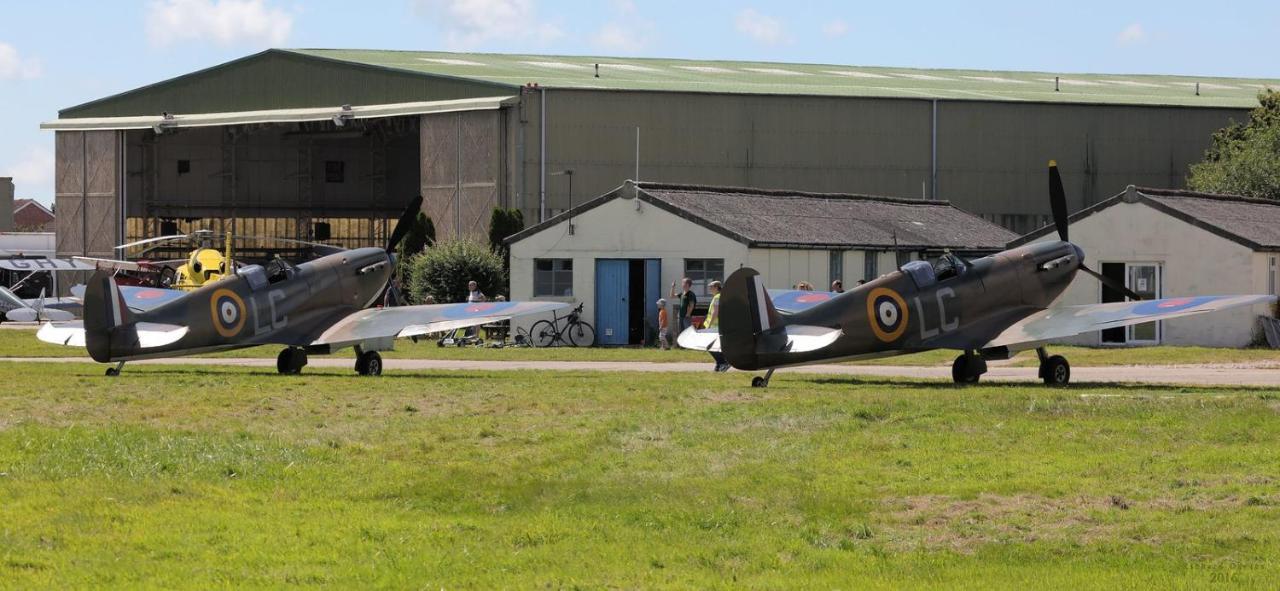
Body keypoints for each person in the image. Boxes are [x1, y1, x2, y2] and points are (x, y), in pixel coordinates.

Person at [702, 280, 730, 372]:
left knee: (709, 345)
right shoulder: (718, 296)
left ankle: (723, 362)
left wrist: (709, 325)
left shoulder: (717, 297)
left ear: (716, 287)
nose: (710, 289)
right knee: (716, 346)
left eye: (711, 287)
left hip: (714, 326)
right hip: (716, 326)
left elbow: (715, 312)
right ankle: (719, 364)